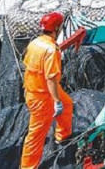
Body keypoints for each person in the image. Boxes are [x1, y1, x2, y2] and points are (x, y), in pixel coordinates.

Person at [21, 12, 73, 169]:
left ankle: (62, 136)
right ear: (57, 28)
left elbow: (28, 68)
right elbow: (51, 78)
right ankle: (28, 167)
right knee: (36, 135)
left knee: (68, 105)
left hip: (35, 88)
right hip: (41, 97)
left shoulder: (35, 43)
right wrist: (56, 101)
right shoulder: (51, 50)